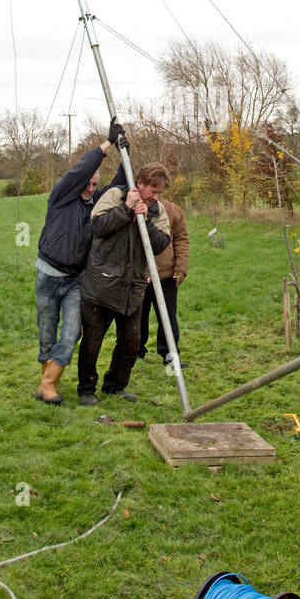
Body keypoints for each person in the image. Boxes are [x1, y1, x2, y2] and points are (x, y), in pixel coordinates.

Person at [34, 119, 126, 405]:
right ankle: (45, 378)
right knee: (47, 336)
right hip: (47, 277)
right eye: (87, 184)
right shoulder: (61, 197)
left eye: (94, 184)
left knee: (72, 333)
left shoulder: (96, 203)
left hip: (75, 281)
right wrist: (106, 144)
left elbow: (118, 187)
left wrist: (125, 154)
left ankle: (48, 385)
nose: (90, 188)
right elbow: (81, 170)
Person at [77, 163, 171, 407]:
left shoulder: (156, 210)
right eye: (153, 190)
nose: (156, 196)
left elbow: (162, 243)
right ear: (139, 183)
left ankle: (115, 386)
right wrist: (127, 209)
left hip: (133, 287)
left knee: (131, 342)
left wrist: (145, 218)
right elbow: (97, 227)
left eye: (160, 192)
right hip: (101, 284)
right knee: (92, 341)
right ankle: (86, 389)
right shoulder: (115, 196)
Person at [138, 195, 190, 366]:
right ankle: (134, 352)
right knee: (137, 317)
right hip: (139, 276)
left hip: (167, 276)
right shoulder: (135, 208)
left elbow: (182, 240)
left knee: (168, 317)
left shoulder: (173, 211)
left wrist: (181, 267)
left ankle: (169, 353)